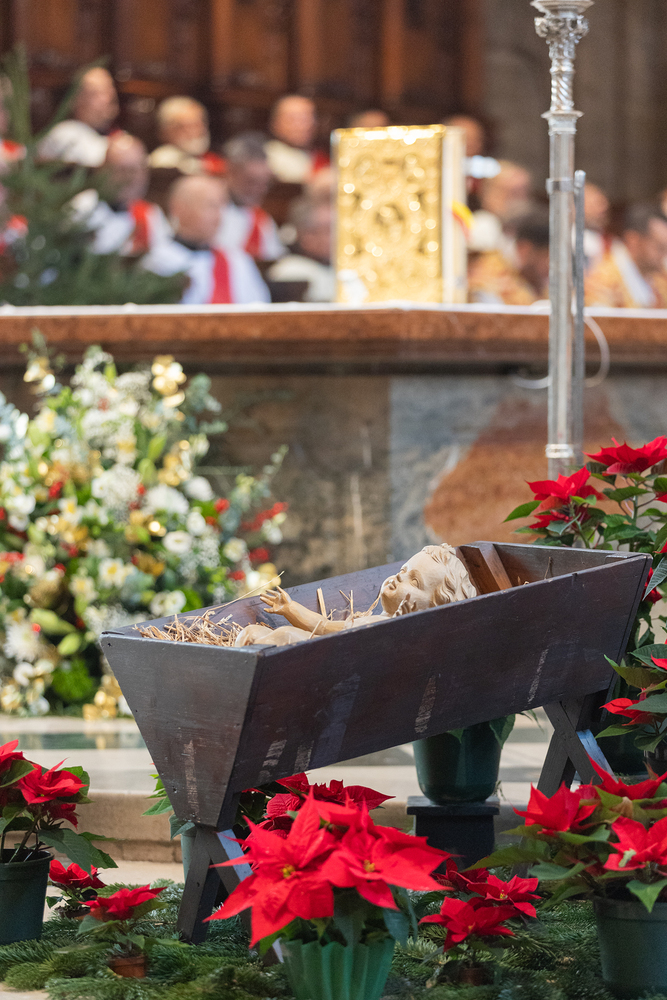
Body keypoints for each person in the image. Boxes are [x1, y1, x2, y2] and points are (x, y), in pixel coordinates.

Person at [142, 175, 269, 305]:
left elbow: (260, 308)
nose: (218, 216)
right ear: (179, 208)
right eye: (211, 206)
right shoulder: (157, 262)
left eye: (222, 207)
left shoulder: (237, 261)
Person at [70, 133, 171, 256]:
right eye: (123, 170)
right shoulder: (81, 209)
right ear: (101, 171)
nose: (132, 179)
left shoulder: (150, 215)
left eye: (138, 169)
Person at [215, 132, 284, 262]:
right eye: (251, 182)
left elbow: (273, 261)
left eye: (264, 183)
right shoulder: (210, 211)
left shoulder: (263, 222)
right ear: (230, 172)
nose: (259, 190)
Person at [585, 203, 667, 308]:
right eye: (660, 248)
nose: (664, 256)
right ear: (633, 240)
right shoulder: (601, 282)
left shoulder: (660, 279)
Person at [39, 67, 119, 168]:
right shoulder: (66, 135)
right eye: (96, 93)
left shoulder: (117, 137)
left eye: (110, 90)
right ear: (75, 100)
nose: (108, 98)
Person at [468, 212, 550, 305]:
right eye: (546, 256)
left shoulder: (542, 286)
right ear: (524, 249)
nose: (550, 265)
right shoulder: (488, 276)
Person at [267, 196, 334, 302]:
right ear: (306, 235)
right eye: (328, 230)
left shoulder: (342, 269)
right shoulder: (290, 271)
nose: (336, 237)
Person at [468, 160, 534, 255]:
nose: (521, 200)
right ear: (489, 194)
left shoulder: (523, 232)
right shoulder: (480, 227)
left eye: (524, 191)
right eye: (514, 192)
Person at [148, 97, 224, 177]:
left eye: (201, 123)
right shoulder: (163, 163)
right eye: (191, 125)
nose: (201, 130)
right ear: (167, 131)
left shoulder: (210, 160)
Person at [265, 94, 328, 184]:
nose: (303, 126)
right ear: (275, 123)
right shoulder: (267, 157)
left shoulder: (322, 156)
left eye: (308, 118)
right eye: (293, 119)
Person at [583, 182, 612, 272]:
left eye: (604, 203)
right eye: (598, 203)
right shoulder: (567, 241)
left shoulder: (611, 242)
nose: (604, 208)